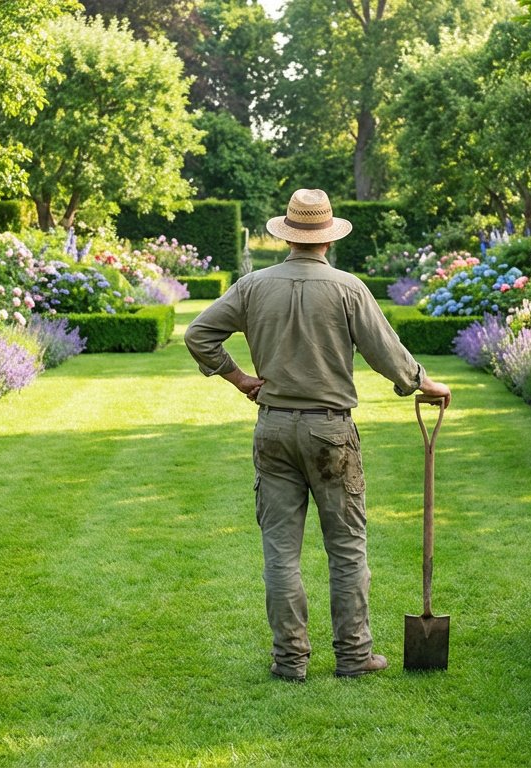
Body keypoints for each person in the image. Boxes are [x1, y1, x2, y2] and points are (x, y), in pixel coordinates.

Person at [184, 188, 452, 682]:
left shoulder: (252, 286)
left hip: (274, 430)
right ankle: (354, 656)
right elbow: (385, 353)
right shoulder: (348, 288)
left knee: (280, 553)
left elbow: (198, 335)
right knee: (347, 548)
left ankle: (290, 661)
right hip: (332, 432)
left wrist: (240, 378)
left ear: (288, 234)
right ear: (328, 237)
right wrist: (422, 383)